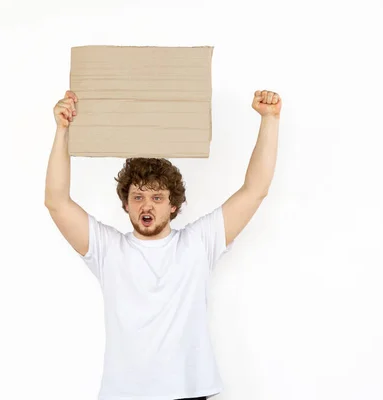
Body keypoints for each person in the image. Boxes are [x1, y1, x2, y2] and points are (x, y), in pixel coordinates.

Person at [45, 89, 281, 400]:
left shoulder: (199, 243)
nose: (147, 206)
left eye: (157, 197)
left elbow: (255, 190)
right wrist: (62, 130)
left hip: (189, 391)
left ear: (173, 205)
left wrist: (270, 119)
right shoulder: (107, 249)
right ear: (126, 205)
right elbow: (56, 202)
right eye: (138, 197)